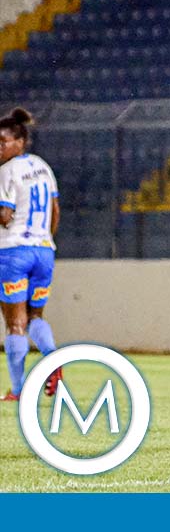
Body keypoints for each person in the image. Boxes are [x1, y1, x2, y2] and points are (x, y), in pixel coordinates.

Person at [1, 108, 63, 402]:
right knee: (36, 315)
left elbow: (4, 216)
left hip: (13, 253)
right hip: (44, 252)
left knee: (15, 323)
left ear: (20, 142)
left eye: (2, 142)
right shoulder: (43, 167)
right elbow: (56, 210)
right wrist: (46, 238)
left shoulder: (6, 171)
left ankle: (18, 389)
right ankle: (54, 361)